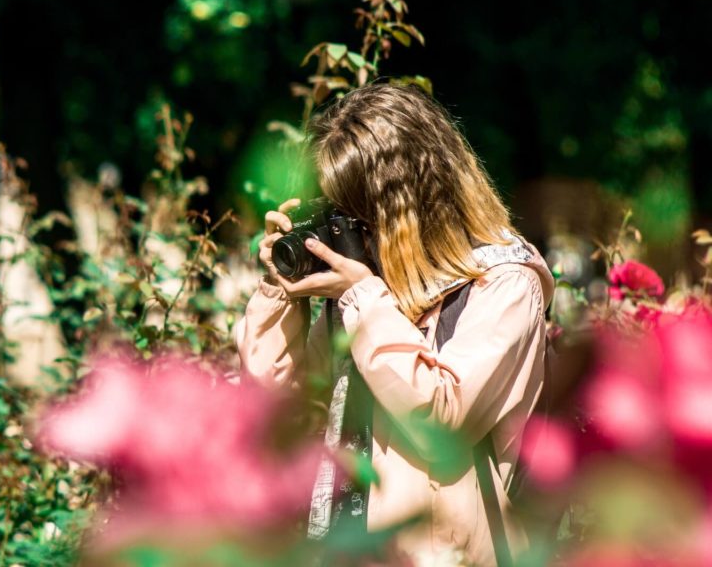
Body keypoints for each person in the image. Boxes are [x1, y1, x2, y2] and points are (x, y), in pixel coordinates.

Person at [235, 82, 553, 566]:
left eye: (353, 212)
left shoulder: (505, 282)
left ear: (405, 204)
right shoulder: (369, 288)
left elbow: (443, 419)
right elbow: (281, 397)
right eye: (332, 210)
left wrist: (362, 296)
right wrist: (281, 288)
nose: (346, 228)